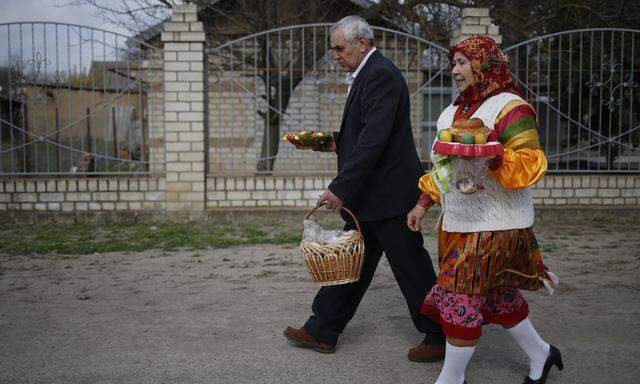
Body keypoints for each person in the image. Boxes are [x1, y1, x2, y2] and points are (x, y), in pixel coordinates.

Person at [283, 15, 445, 362]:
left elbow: (375, 140)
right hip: (373, 196)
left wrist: (339, 187)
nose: (336, 55)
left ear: (362, 43)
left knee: (411, 267)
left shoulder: (380, 75)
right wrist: (334, 141)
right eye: (333, 49)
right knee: (352, 263)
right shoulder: (368, 74)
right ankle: (322, 329)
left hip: (390, 195)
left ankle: (441, 334)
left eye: (340, 48)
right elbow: (366, 133)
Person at [406, 35, 563, 384]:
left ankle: (451, 379)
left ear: (484, 64)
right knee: (497, 296)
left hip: (498, 224)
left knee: (459, 295)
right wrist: (423, 202)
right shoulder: (452, 112)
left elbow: (530, 164)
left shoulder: (511, 107)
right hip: (460, 223)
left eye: (462, 63)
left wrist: (493, 156)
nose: (455, 71)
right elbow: (443, 170)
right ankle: (542, 353)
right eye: (453, 64)